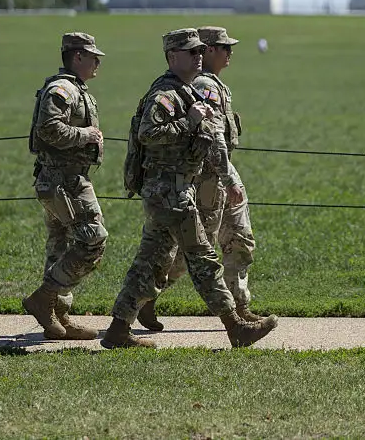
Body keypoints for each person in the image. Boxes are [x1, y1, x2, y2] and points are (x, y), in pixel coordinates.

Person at [101, 28, 279, 349]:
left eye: (200, 52)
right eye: (191, 53)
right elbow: (148, 132)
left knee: (149, 263)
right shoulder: (165, 94)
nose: (199, 57)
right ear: (172, 57)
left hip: (171, 191)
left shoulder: (184, 91)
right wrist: (191, 121)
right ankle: (235, 327)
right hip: (171, 192)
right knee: (203, 259)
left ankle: (118, 329)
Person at [137, 26, 266, 331]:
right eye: (224, 47)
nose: (229, 52)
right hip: (210, 181)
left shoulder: (212, 84)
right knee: (194, 252)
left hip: (223, 176)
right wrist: (229, 178)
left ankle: (239, 307)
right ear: (209, 50)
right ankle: (143, 300)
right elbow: (213, 137)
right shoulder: (205, 86)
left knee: (240, 240)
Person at [22, 32, 107, 340]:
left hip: (64, 180)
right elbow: (48, 129)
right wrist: (86, 135)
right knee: (93, 240)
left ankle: (58, 318)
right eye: (92, 55)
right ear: (77, 57)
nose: (98, 61)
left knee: (59, 246)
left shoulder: (74, 88)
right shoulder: (62, 89)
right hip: (64, 182)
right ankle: (44, 299)